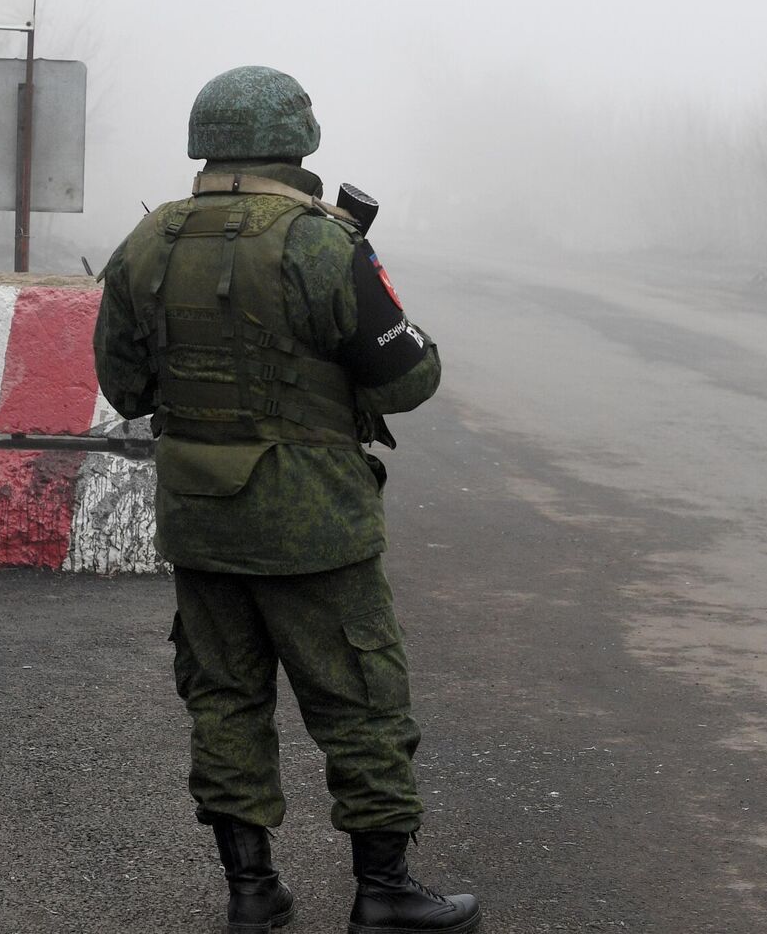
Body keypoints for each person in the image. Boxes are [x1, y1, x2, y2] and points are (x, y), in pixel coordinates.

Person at [93, 65, 479, 934]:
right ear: (297, 142)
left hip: (199, 516)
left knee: (224, 699)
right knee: (360, 699)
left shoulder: (146, 244)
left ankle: (251, 892)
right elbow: (411, 377)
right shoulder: (321, 243)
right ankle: (383, 891)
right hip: (314, 526)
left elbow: (124, 387)